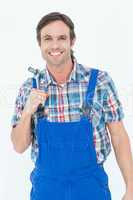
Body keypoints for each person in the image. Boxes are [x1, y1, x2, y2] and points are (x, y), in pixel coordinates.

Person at [11, 12, 133, 200]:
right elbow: (19, 146)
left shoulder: (100, 81)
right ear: (40, 44)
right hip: (47, 190)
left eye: (62, 38)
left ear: (72, 41)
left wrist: (131, 188)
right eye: (47, 38)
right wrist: (28, 112)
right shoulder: (29, 88)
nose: (55, 45)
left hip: (91, 188)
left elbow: (119, 137)